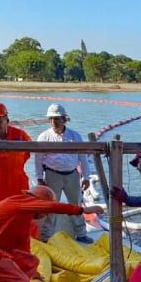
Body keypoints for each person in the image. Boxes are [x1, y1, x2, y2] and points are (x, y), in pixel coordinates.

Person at [34, 103, 94, 244]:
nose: (53, 122)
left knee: (76, 204)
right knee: (50, 206)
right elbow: (38, 160)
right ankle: (46, 237)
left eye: (56, 118)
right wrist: (39, 178)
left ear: (64, 119)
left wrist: (86, 177)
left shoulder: (75, 136)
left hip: (72, 175)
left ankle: (81, 234)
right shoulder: (43, 137)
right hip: (52, 174)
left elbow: (83, 158)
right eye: (51, 119)